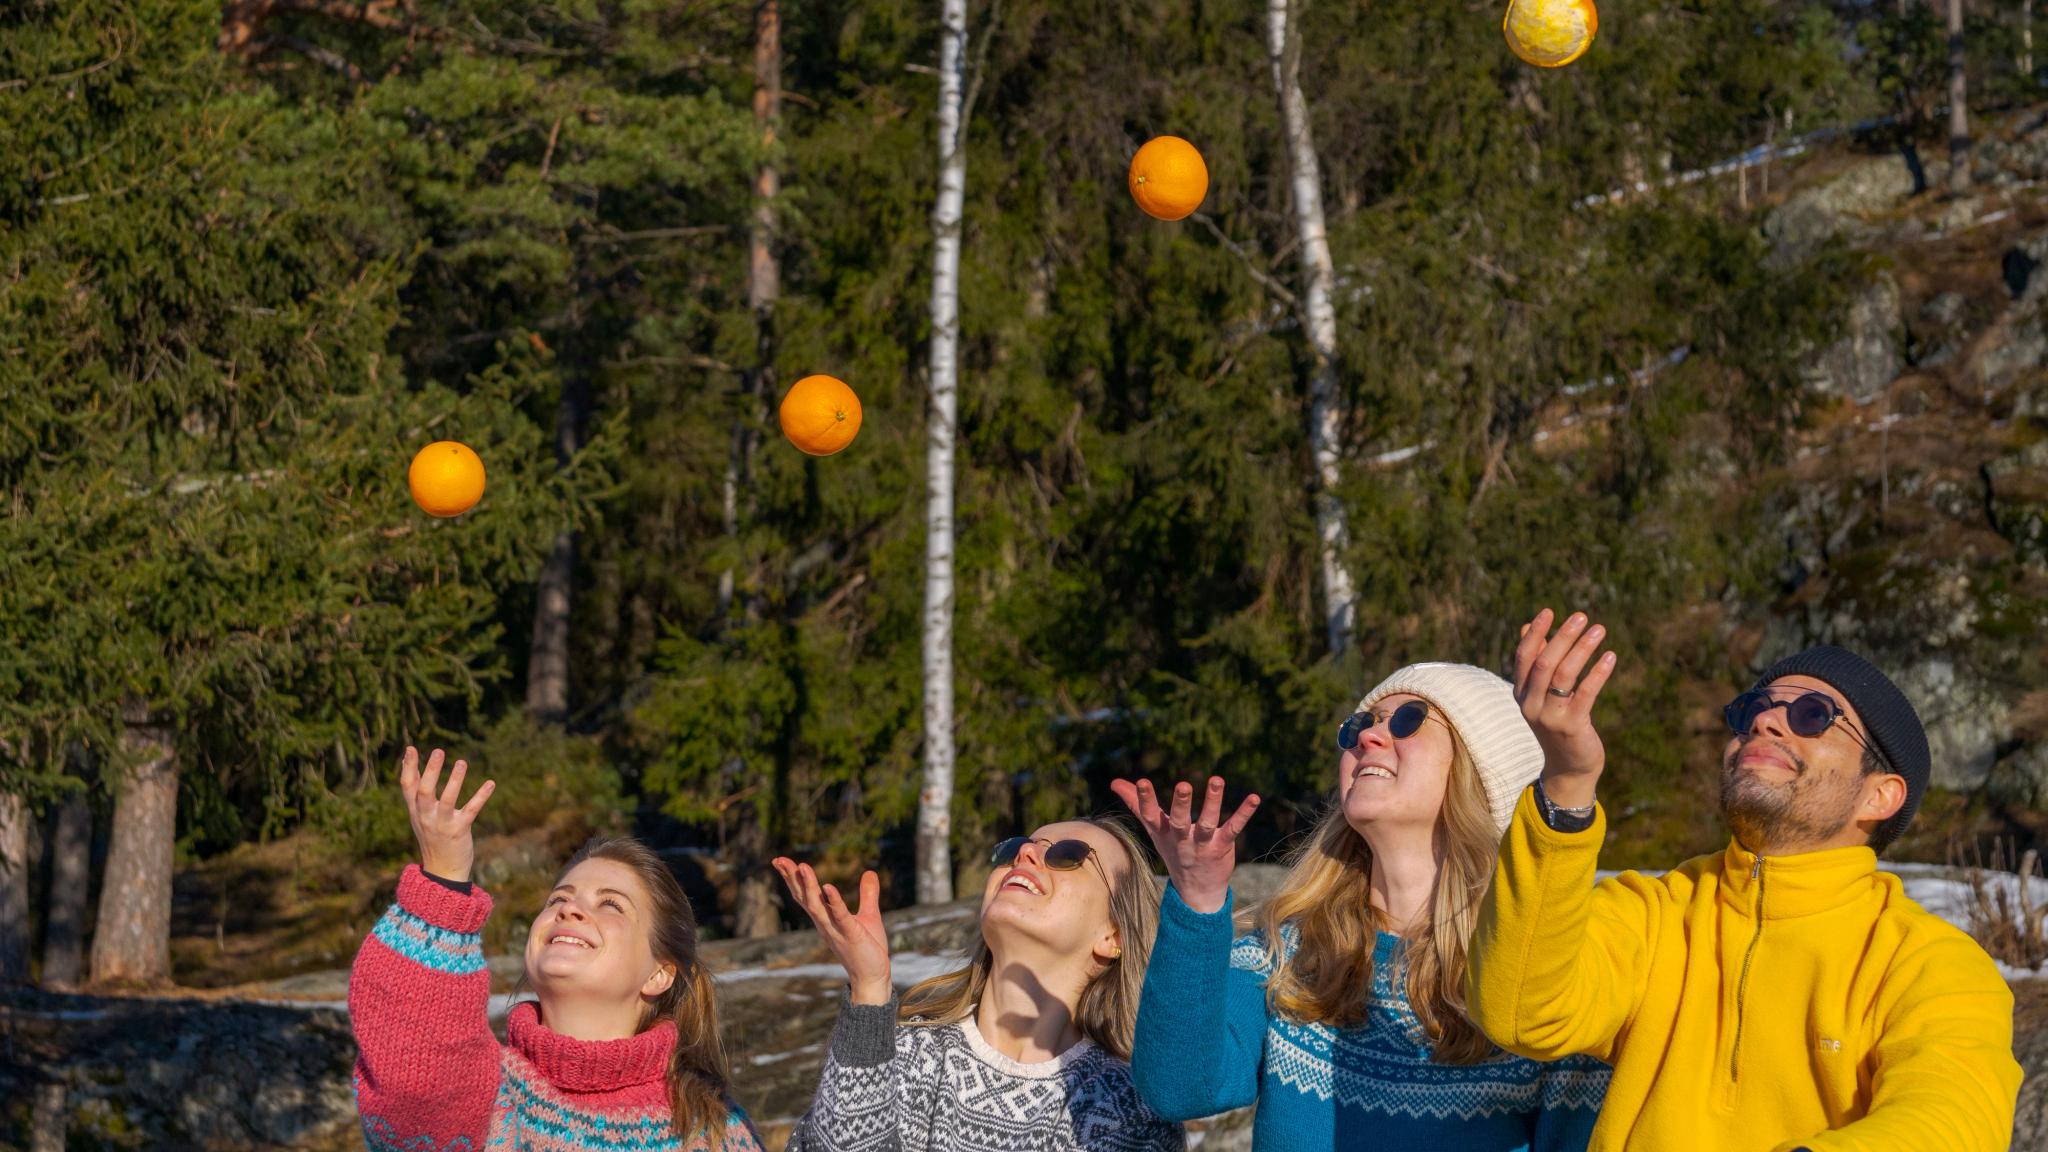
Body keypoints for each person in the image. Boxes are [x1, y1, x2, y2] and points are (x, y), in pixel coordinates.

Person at [1467, 609, 2024, 1150]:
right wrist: (1566, 784)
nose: (1764, 719)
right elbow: (1522, 1013)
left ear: (1880, 795)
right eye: (1751, 709)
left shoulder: (1929, 964)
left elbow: (1954, 1120)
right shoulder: (1657, 913)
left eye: (1812, 714)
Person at [1119, 662, 1609, 1152]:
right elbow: (1178, 1089)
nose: (1369, 736)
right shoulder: (1285, 954)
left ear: (1484, 775)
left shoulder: (1542, 981)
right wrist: (1198, 899)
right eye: (1361, 724)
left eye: (1407, 720)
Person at [350, 747, 763, 1152]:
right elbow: (412, 1080)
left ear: (660, 972)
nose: (569, 908)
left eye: (610, 904)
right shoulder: (483, 1101)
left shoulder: (713, 1129)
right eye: (557, 899)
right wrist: (444, 880)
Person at [774, 816, 1184, 1152]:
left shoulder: (1129, 1106)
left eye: (1067, 855)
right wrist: (869, 990)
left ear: (1113, 936)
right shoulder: (897, 1054)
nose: (1024, 853)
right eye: (1015, 848)